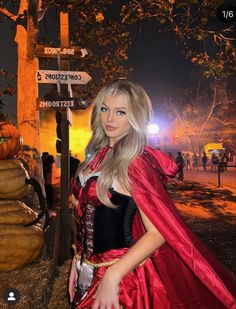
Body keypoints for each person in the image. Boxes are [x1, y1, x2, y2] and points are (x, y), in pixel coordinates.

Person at [69, 80, 236, 309]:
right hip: (88, 269)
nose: (109, 119)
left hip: (122, 278)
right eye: (104, 109)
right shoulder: (97, 156)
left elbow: (158, 232)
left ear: (136, 116)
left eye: (120, 112)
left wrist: (113, 275)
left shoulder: (135, 163)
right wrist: (78, 263)